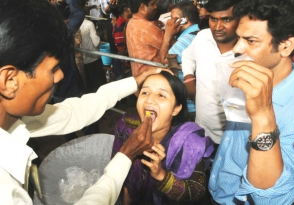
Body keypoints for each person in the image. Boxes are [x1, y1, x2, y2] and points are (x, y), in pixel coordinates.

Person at [0, 0, 170, 204]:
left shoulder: (16, 119)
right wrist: (125, 155)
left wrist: (135, 81)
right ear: (9, 80)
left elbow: (73, 112)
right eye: (52, 69)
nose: (60, 76)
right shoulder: (5, 192)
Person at [208, 0, 294, 204]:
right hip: (218, 191)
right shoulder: (248, 80)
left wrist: (263, 116)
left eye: (251, 41)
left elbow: (274, 198)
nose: (236, 48)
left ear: (286, 45)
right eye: (238, 38)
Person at [112, 71, 214, 204]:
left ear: (176, 109)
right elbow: (119, 170)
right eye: (145, 92)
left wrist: (161, 175)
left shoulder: (189, 143)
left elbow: (196, 191)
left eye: (161, 95)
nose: (149, 99)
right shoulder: (126, 125)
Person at [182, 0, 242, 144]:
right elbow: (187, 56)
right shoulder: (203, 37)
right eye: (213, 19)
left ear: (241, 20)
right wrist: (189, 79)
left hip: (233, 138)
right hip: (202, 129)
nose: (218, 26)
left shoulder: (248, 52)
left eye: (226, 19)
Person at [125, 0, 165, 76]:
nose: (155, 7)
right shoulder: (148, 27)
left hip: (139, 75)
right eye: (152, 4)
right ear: (143, 6)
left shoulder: (130, 23)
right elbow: (171, 48)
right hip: (153, 76)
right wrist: (169, 33)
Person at [80, 6, 107, 93]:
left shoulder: (73, 24)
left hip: (83, 60)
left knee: (89, 87)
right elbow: (96, 42)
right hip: (94, 58)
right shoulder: (89, 24)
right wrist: (98, 37)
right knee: (101, 85)